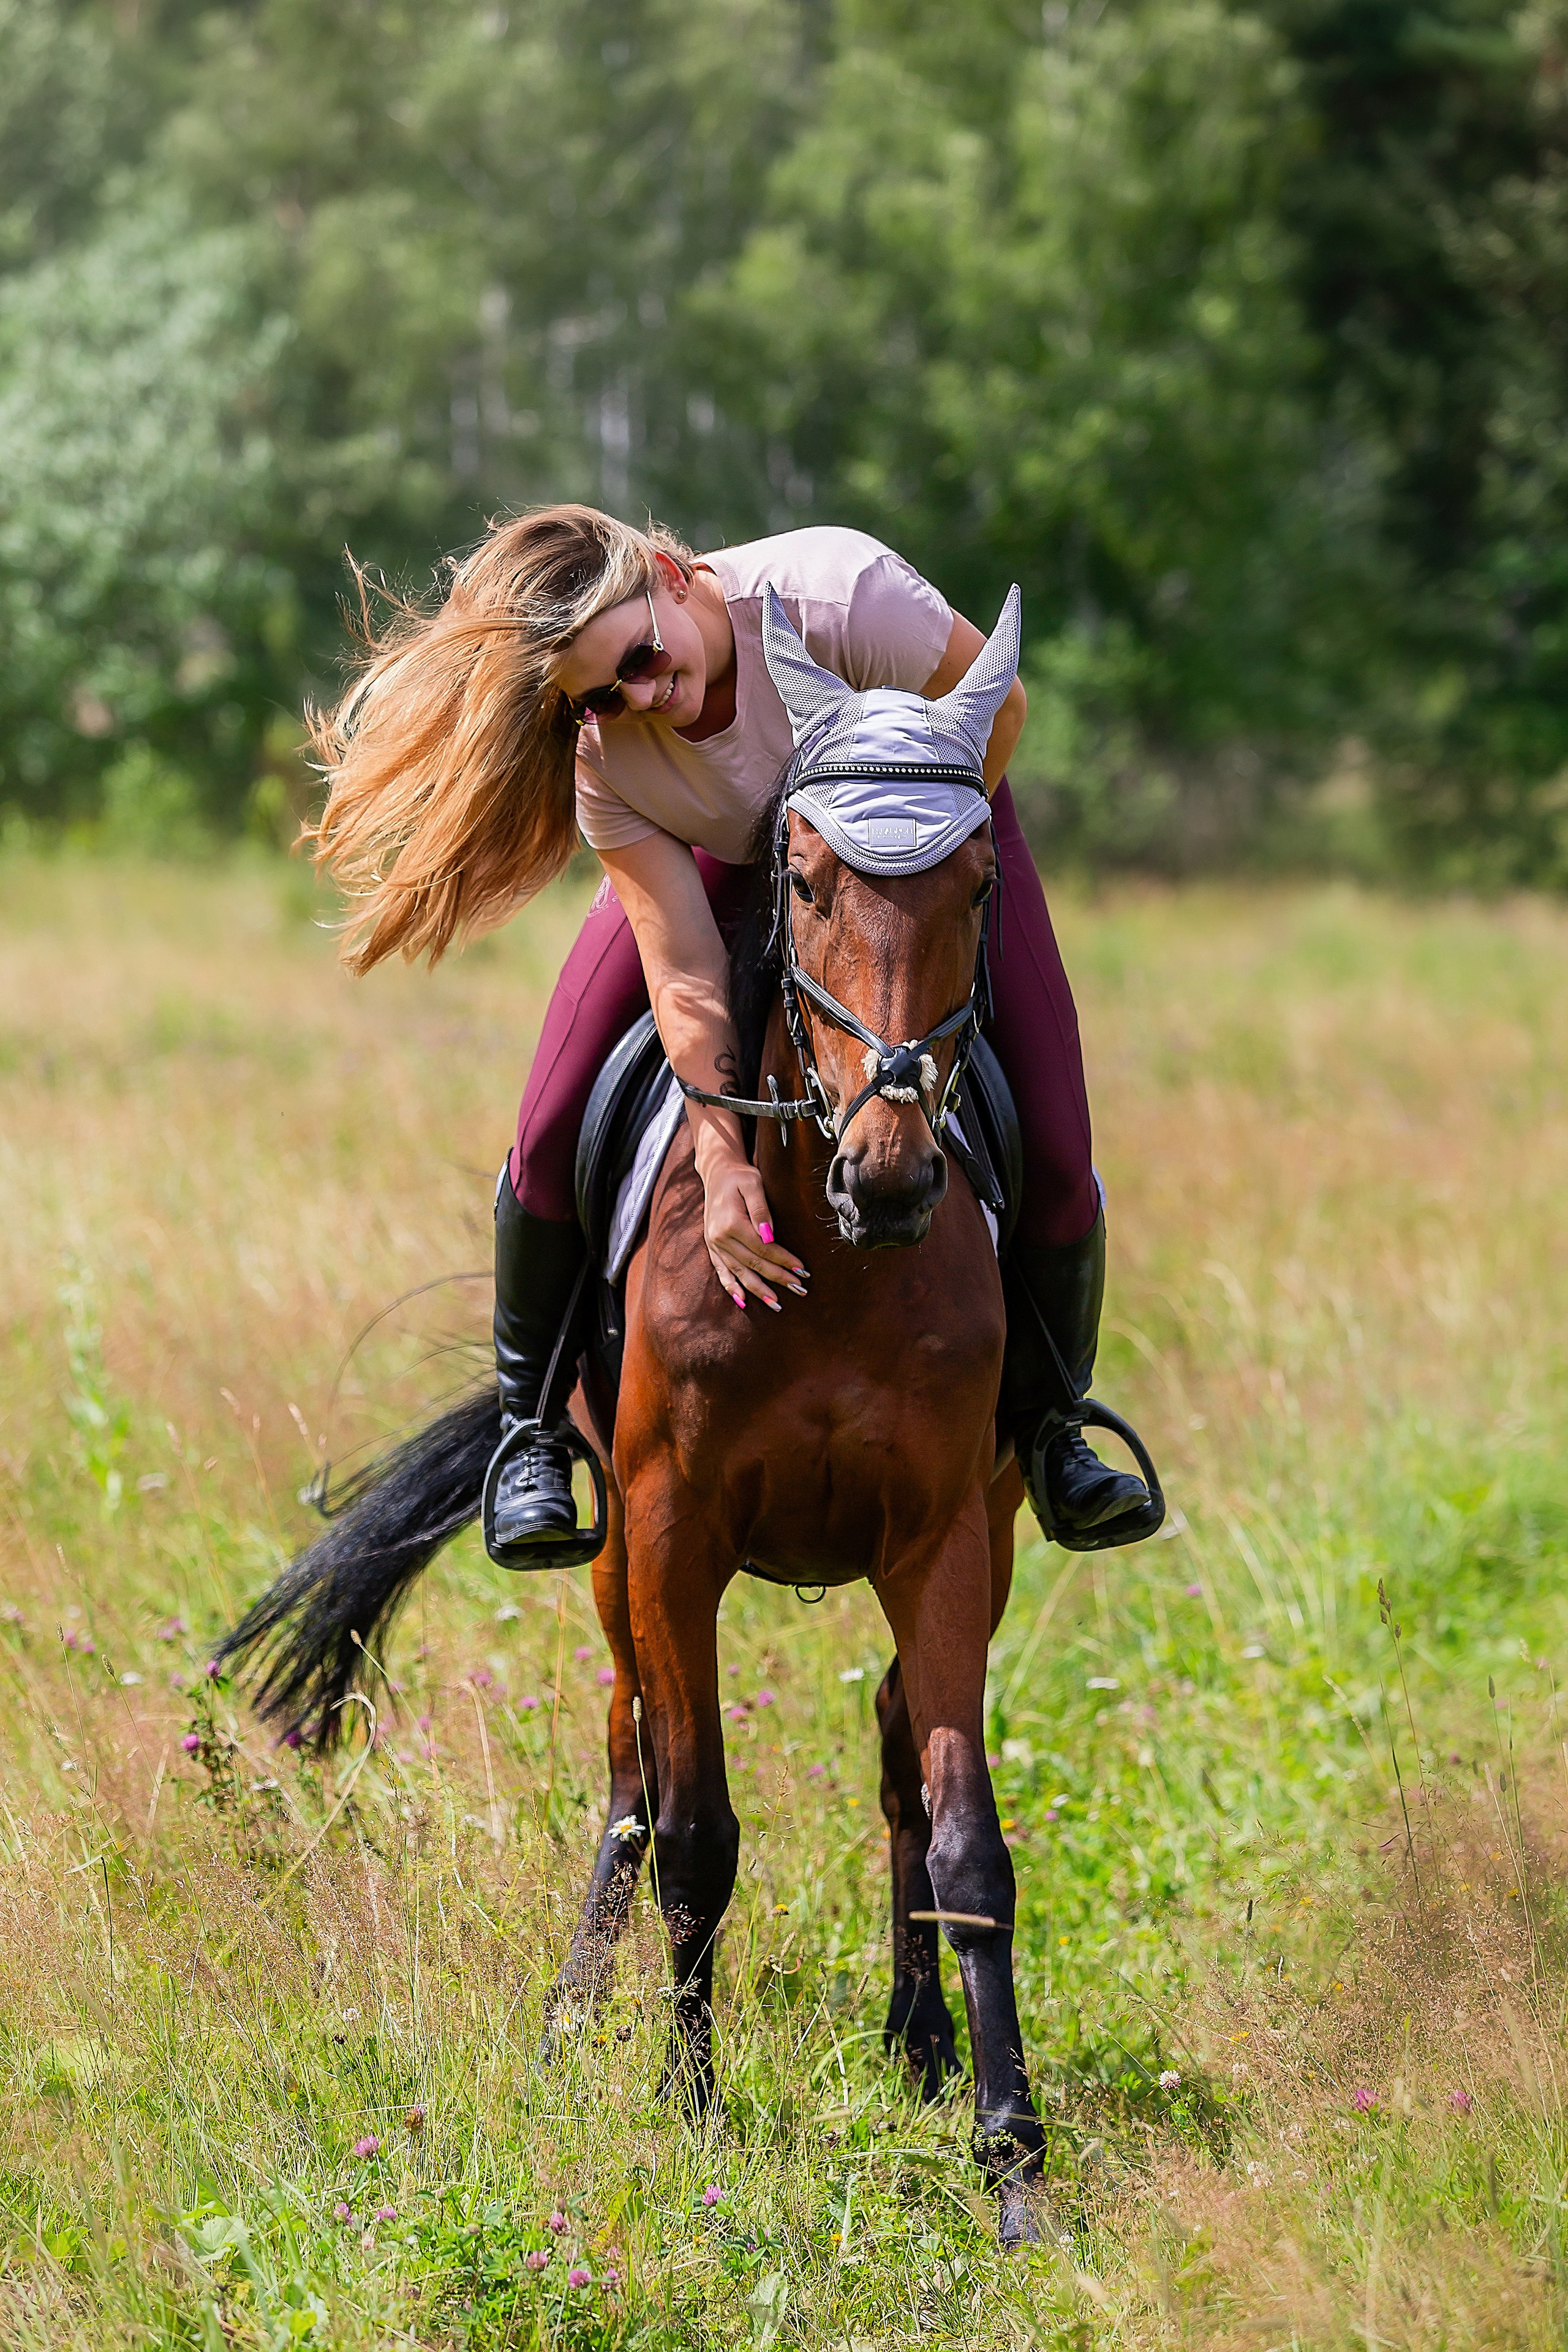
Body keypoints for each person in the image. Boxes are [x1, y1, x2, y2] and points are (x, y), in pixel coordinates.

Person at [304, 505, 1152, 1560]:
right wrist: (717, 1153)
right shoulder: (609, 757)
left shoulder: (846, 594)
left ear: (666, 573)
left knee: (1059, 1143)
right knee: (552, 1126)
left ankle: (1054, 1429)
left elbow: (1002, 706)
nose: (643, 699)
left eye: (643, 659)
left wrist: (919, 873)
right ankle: (531, 1433)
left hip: (922, 845)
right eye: (603, 696)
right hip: (722, 867)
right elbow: (688, 970)